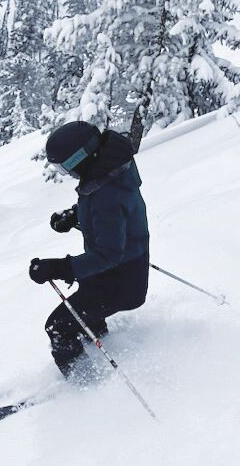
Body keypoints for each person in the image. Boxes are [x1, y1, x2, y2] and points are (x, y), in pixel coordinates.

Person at [28, 121, 150, 378]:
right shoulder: (111, 169)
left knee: (58, 326)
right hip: (122, 271)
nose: (66, 174)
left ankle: (84, 384)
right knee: (85, 316)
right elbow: (112, 213)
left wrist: (58, 267)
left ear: (80, 157)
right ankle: (99, 343)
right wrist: (75, 215)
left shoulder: (106, 193)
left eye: (65, 167)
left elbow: (108, 253)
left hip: (120, 281)